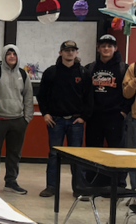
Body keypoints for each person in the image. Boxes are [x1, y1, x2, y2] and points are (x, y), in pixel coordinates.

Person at [38, 40, 92, 198]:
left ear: (77, 53)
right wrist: (45, 113)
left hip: (76, 122)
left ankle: (79, 188)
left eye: (73, 50)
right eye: (66, 50)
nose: (70, 53)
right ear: (60, 52)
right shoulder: (51, 72)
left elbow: (89, 98)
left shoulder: (83, 73)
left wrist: (83, 118)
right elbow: (42, 96)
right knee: (54, 155)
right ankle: (51, 187)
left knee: (76, 157)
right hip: (55, 121)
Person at [0, 44, 33, 195]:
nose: (12, 56)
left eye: (14, 54)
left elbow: (28, 97)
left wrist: (27, 118)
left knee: (14, 154)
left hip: (18, 121)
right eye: (8, 54)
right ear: (4, 56)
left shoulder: (23, 75)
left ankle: (11, 182)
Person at [84, 35, 133, 187]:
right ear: (98, 48)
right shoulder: (90, 68)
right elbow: (84, 93)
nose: (106, 49)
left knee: (117, 151)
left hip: (115, 117)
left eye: (110, 46)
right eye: (103, 46)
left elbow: (131, 93)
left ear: (115, 49)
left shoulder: (123, 68)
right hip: (95, 117)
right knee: (93, 152)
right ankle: (93, 182)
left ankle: (118, 183)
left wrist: (123, 112)